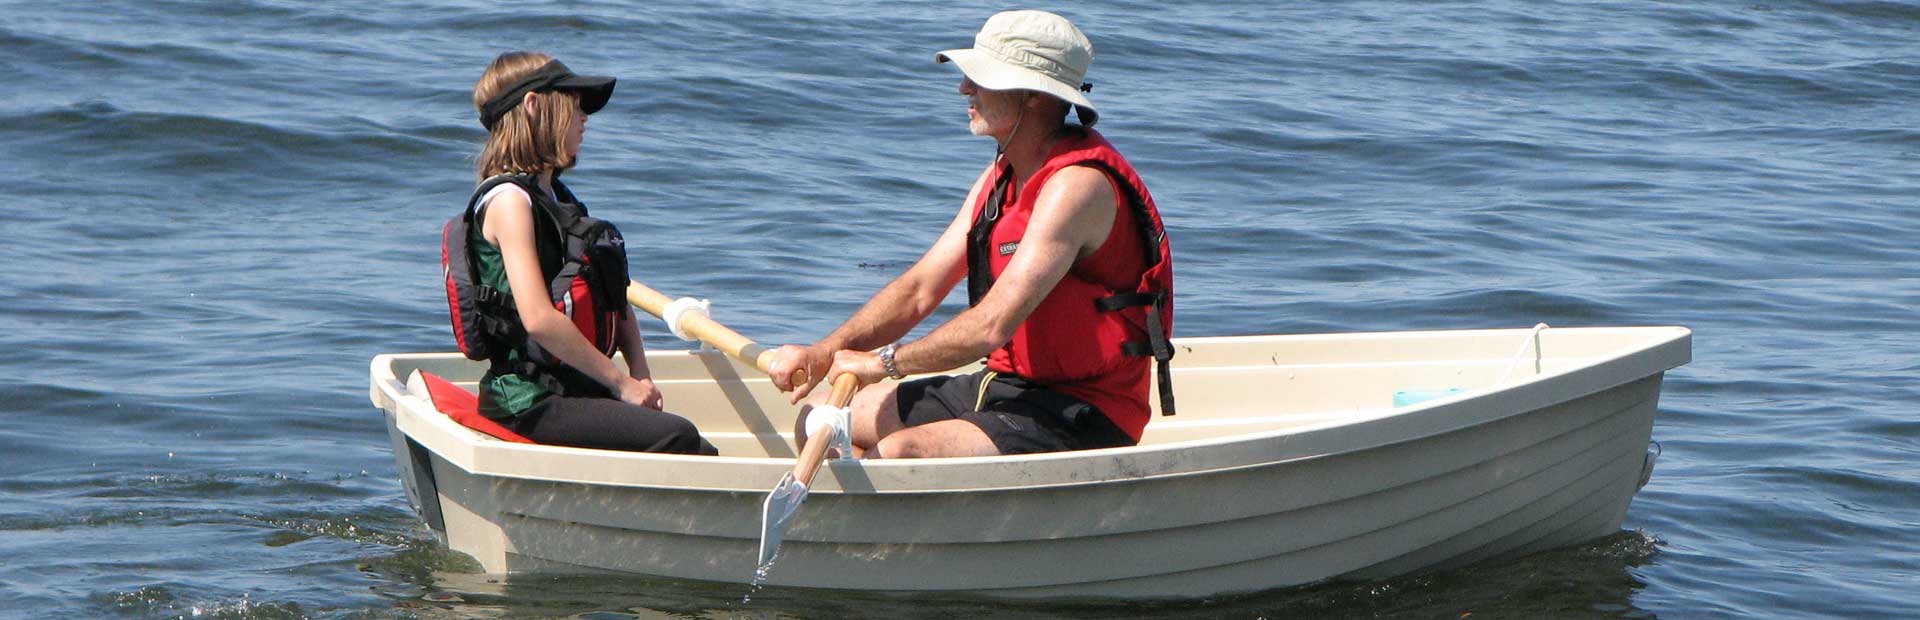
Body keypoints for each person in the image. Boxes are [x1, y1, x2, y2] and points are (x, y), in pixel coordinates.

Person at [769, 11, 1175, 458]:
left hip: (1084, 410)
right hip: (1006, 385)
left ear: (1032, 96)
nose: (965, 88)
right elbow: (920, 290)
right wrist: (827, 350)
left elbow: (991, 325)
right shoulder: (999, 178)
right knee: (819, 419)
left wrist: (884, 363)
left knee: (902, 453)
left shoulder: (1077, 188)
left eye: (981, 78)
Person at [454, 51, 716, 455]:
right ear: (533, 105)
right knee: (676, 436)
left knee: (700, 451)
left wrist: (640, 375)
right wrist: (619, 383)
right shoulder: (509, 203)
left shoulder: (557, 200)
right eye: (574, 106)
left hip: (574, 387)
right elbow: (539, 320)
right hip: (527, 401)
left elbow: (613, 293)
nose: (584, 118)